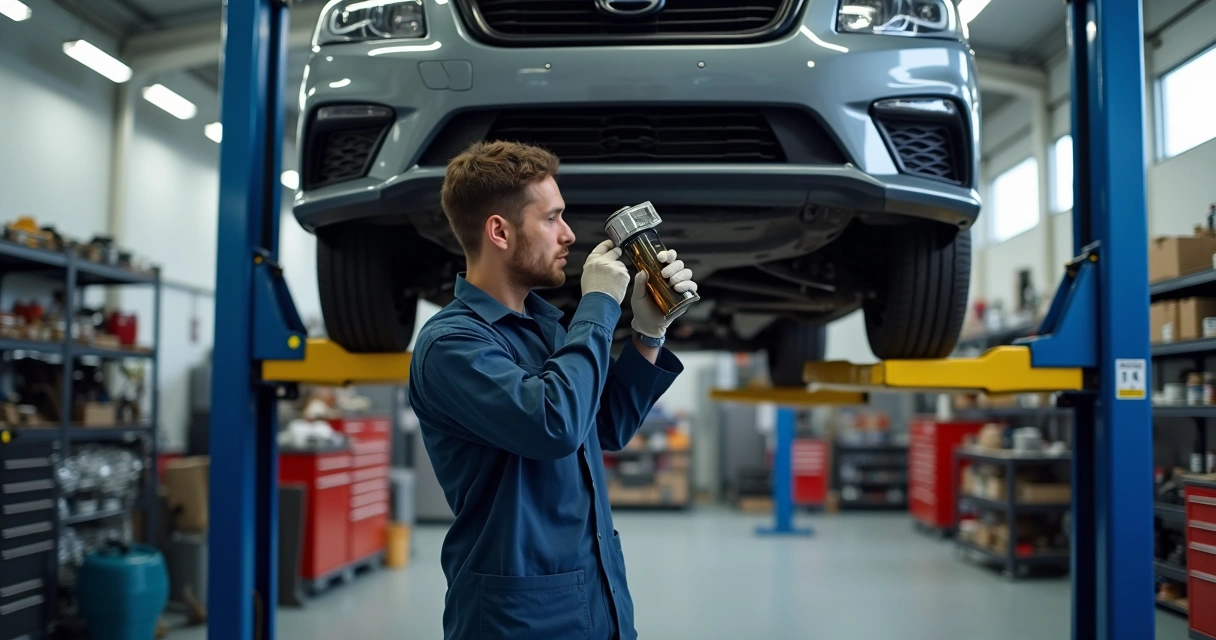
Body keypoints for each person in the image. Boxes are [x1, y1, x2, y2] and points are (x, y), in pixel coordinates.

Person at [407, 140, 698, 640]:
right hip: (517, 619)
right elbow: (554, 425)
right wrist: (601, 304)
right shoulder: (451, 344)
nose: (568, 235)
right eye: (552, 219)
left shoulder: (546, 329)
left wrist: (648, 336)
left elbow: (602, 426)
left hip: (597, 599)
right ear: (499, 231)